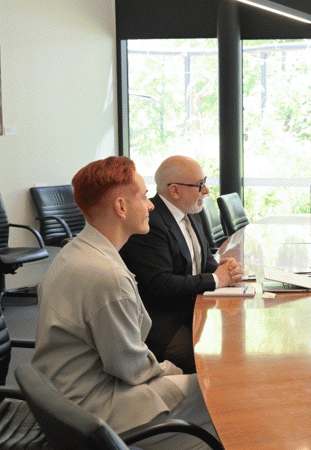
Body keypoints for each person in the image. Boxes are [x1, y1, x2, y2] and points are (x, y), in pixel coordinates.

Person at [32, 156, 217, 449]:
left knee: (209, 392)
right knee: (219, 390)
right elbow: (133, 369)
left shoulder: (74, 253)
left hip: (62, 397)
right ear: (121, 207)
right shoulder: (106, 275)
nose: (151, 206)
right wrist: (176, 371)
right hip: (94, 408)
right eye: (143, 197)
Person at [120, 155, 243, 374]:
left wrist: (224, 269)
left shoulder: (191, 212)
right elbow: (160, 285)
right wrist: (216, 279)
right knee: (214, 359)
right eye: (200, 185)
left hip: (192, 307)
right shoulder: (150, 222)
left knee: (237, 338)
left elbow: (203, 260)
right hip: (165, 322)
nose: (206, 191)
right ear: (175, 191)